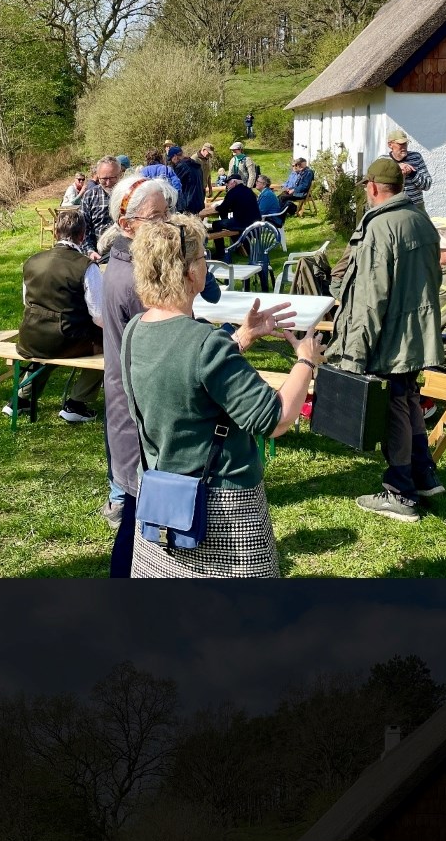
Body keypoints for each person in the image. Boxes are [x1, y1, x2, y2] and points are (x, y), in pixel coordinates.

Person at [120, 213, 324, 577]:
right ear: (189, 273)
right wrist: (306, 361)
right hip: (224, 511)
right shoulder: (205, 343)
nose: (206, 267)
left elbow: (184, 373)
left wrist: (241, 338)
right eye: (201, 259)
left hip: (160, 502)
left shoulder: (136, 331)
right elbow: (274, 419)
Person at [102, 172, 222, 556]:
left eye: (168, 212)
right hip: (143, 415)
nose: (167, 223)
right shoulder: (137, 279)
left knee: (139, 512)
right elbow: (174, 344)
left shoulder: (130, 262)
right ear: (127, 225)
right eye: (156, 218)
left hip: (135, 408)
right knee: (140, 519)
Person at [324, 156, 446, 519]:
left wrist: (354, 354)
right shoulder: (420, 220)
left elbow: (370, 295)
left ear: (373, 187)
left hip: (390, 334)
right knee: (408, 399)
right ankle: (423, 473)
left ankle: (401, 491)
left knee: (395, 406)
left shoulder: (381, 226)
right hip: (416, 329)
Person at [17, 205, 105, 425]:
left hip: (30, 337)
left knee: (48, 345)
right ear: (82, 235)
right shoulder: (86, 266)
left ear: (56, 233)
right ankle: (76, 404)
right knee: (108, 344)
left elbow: (26, 300)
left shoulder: (32, 261)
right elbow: (99, 316)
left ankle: (20, 399)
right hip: (65, 339)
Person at [205, 172, 261, 252]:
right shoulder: (249, 191)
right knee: (225, 223)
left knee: (216, 224)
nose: (227, 185)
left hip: (242, 223)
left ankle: (220, 252)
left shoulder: (232, 192)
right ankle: (241, 248)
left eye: (228, 183)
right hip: (255, 223)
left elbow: (223, 207)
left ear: (234, 182)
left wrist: (217, 207)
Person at [80, 156, 122, 253]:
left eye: (112, 178)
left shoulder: (130, 194)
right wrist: (89, 251)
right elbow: (83, 229)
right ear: (97, 176)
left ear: (120, 174)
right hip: (98, 255)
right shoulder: (90, 196)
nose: (108, 183)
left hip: (126, 255)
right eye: (104, 179)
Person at [385, 128, 432, 208]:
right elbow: (382, 187)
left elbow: (427, 185)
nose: (404, 147)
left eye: (405, 143)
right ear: (390, 145)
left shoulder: (416, 157)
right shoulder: (384, 161)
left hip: (416, 206)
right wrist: (396, 170)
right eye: (400, 144)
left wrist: (412, 173)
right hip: (393, 207)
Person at [168, 145, 206, 214]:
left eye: (171, 159)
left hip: (188, 205)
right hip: (199, 202)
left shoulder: (181, 166)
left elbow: (174, 185)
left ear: (175, 156)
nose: (171, 162)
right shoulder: (195, 164)